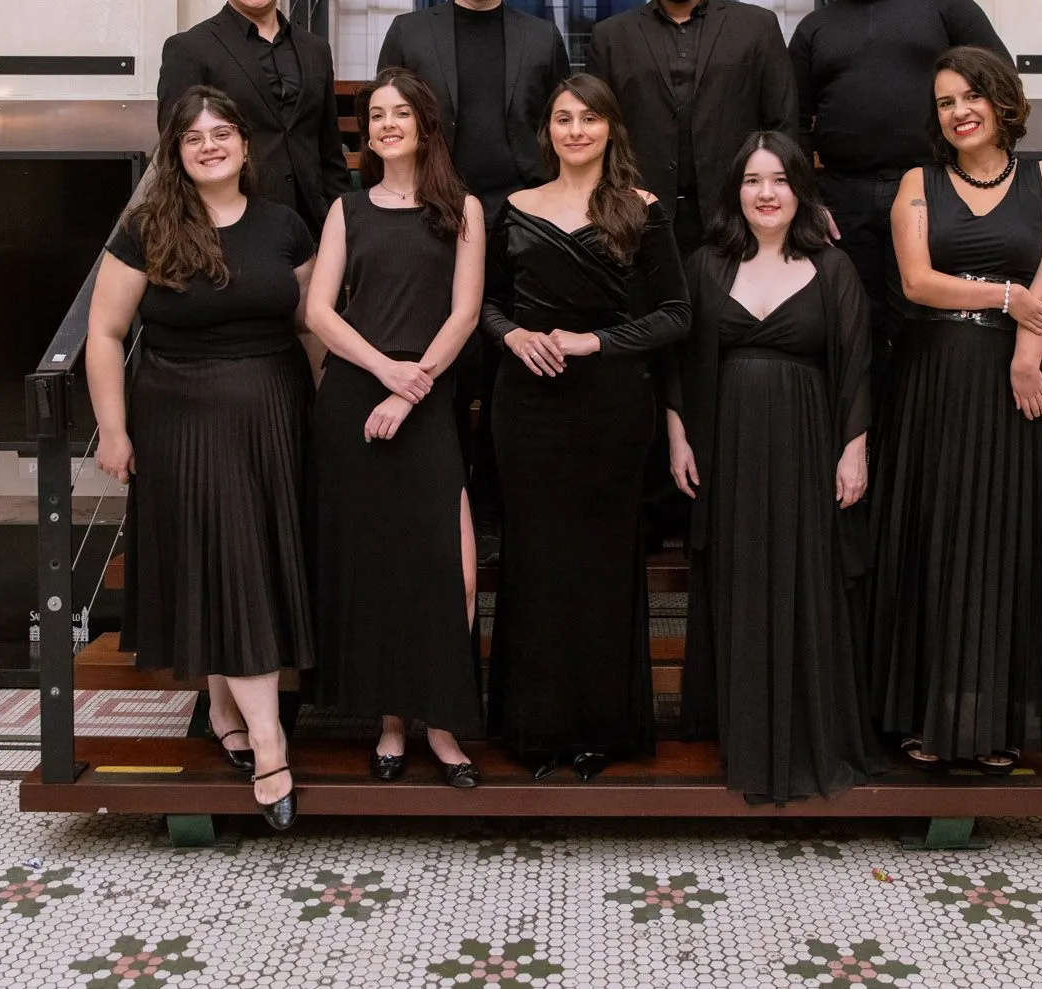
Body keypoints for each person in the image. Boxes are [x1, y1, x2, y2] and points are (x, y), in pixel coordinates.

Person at [87, 85, 317, 831]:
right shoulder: (147, 225)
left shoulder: (284, 225)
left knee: (236, 561)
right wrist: (113, 431)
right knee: (237, 565)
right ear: (177, 152)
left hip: (277, 415)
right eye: (195, 136)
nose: (210, 144)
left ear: (246, 147)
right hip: (183, 419)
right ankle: (271, 743)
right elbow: (105, 333)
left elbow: (314, 328)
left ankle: (224, 707)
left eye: (223, 132)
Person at [868, 45, 1042, 775]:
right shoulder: (917, 183)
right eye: (945, 102)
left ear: (1001, 100)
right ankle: (926, 719)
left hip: (1016, 383)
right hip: (932, 380)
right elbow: (920, 283)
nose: (958, 112)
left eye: (969, 97)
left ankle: (994, 723)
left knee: (1002, 544)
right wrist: (1007, 295)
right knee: (937, 542)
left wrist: (1025, 353)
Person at [481, 74, 691, 780]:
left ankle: (600, 730)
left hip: (610, 406)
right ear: (548, 130)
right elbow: (484, 303)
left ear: (610, 129)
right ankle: (534, 729)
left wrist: (592, 343)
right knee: (536, 563)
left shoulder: (642, 209)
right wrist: (515, 337)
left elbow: (675, 313)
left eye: (589, 118)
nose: (575, 129)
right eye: (563, 118)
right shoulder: (509, 208)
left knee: (603, 566)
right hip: (527, 407)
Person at [666, 131, 884, 803]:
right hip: (727, 443)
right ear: (737, 192)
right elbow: (679, 358)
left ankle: (806, 738)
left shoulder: (833, 267)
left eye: (780, 180)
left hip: (808, 441)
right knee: (738, 574)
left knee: (805, 575)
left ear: (799, 190)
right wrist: (679, 435)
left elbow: (856, 360)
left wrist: (855, 446)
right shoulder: (706, 264)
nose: (766, 193)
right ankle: (741, 736)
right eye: (753, 181)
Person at [304, 69, 486, 788]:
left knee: (454, 571)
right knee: (377, 573)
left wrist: (412, 389)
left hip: (427, 400)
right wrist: (387, 371)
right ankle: (389, 723)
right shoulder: (347, 210)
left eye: (399, 112)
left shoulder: (462, 208)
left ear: (424, 124)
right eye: (374, 114)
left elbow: (465, 313)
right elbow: (320, 311)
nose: (385, 123)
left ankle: (440, 721)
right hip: (356, 400)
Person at [375, 0, 573, 542]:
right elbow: (388, 121)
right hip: (434, 215)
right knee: (443, 357)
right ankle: (443, 491)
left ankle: (497, 504)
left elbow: (560, 130)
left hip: (520, 217)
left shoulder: (542, 38)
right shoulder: (409, 31)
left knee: (512, 361)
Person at [789, 0, 1010, 369]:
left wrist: (984, 180)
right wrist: (810, 199)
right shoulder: (813, 29)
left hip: (936, 187)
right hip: (842, 199)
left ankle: (921, 433)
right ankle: (864, 438)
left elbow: (999, 79)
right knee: (852, 324)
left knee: (928, 319)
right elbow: (793, 122)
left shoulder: (943, 3)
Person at [590, 0, 796, 255]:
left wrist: (797, 202)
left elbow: (783, 123)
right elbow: (598, 130)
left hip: (736, 216)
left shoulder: (756, 27)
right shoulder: (610, 36)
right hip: (637, 218)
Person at [155, 0, 351, 236]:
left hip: (313, 226)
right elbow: (175, 153)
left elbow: (329, 150)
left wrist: (340, 221)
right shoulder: (189, 49)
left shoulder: (316, 49)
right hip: (230, 229)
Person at [375, 0, 572, 207]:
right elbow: (383, 117)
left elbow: (561, 121)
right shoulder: (408, 32)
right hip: (429, 204)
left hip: (526, 210)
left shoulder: (543, 38)